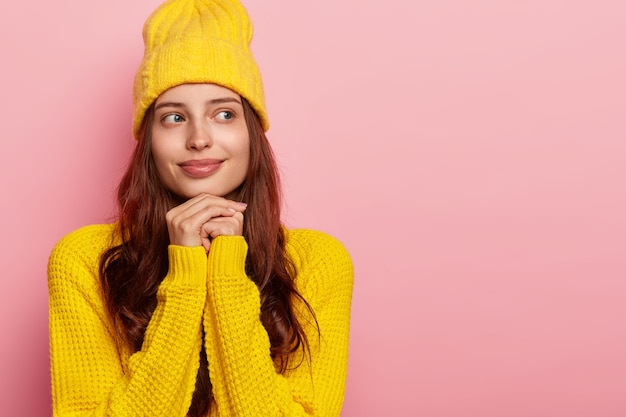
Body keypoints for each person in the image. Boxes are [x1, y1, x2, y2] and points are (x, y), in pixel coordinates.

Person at [47, 0, 354, 415]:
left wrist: (228, 268)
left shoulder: (317, 261)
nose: (198, 139)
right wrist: (186, 275)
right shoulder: (84, 260)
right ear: (147, 143)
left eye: (224, 114)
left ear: (252, 134)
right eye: (173, 118)